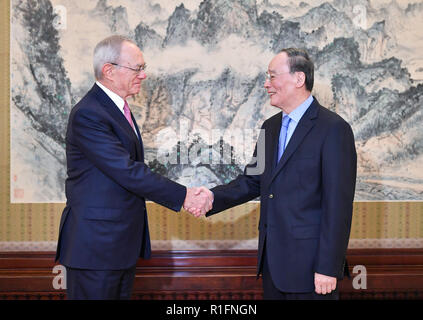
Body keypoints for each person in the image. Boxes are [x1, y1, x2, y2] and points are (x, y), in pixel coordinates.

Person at [55, 35, 212, 300]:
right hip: (96, 249)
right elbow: (126, 170)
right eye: (137, 68)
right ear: (109, 70)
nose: (144, 75)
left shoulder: (117, 110)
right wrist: (184, 195)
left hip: (117, 247)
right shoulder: (89, 113)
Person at [196, 48, 357, 300]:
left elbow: (338, 206)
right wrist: (210, 197)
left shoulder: (334, 129)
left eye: (272, 76)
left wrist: (328, 267)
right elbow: (252, 180)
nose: (266, 84)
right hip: (273, 266)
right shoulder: (269, 128)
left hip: (313, 270)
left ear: (299, 79)